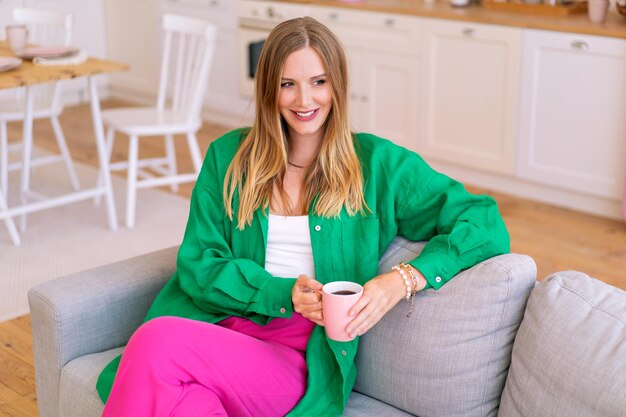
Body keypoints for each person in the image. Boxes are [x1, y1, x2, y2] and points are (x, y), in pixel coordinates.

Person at [96, 16, 510, 417]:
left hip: (296, 354)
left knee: (155, 342)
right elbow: (199, 264)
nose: (304, 100)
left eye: (319, 82)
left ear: (338, 87)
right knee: (186, 402)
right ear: (268, 91)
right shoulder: (227, 158)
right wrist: (283, 292)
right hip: (216, 328)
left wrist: (400, 280)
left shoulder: (379, 165)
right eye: (287, 85)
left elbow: (483, 221)